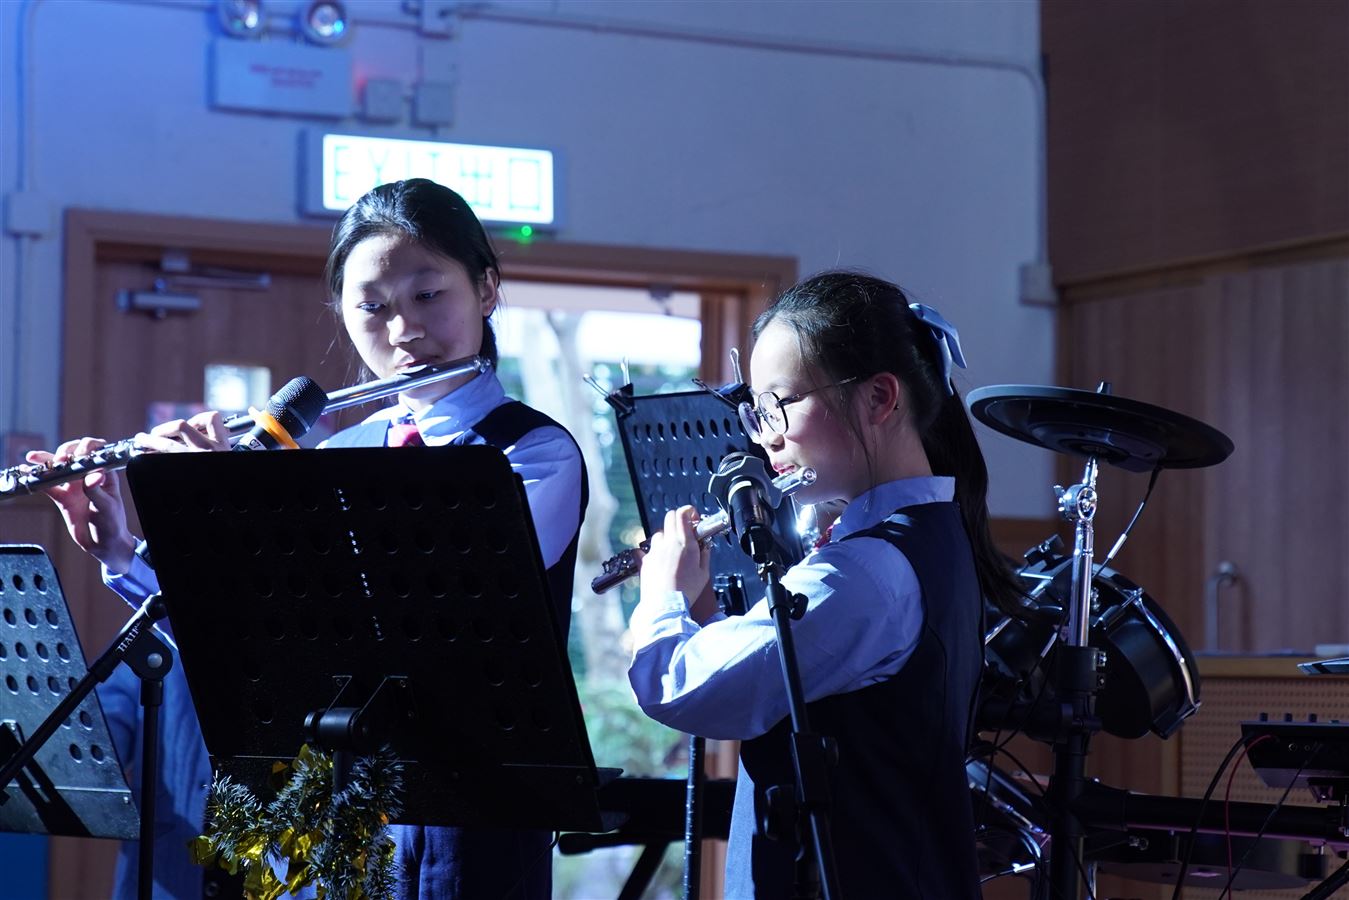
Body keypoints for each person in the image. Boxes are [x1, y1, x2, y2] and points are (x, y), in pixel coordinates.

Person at [29, 178, 587, 899]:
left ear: (485, 289)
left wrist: (243, 506)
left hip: (472, 810)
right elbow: (270, 635)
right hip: (338, 806)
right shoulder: (339, 451)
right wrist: (121, 549)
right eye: (372, 307)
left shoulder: (531, 453)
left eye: (427, 295)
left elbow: (407, 621)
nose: (403, 330)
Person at [627, 270, 1023, 898]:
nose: (765, 435)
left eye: (779, 404)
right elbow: (772, 685)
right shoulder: (912, 542)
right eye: (755, 411)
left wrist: (660, 594)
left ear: (879, 399)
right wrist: (700, 607)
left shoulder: (866, 574)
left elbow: (677, 686)